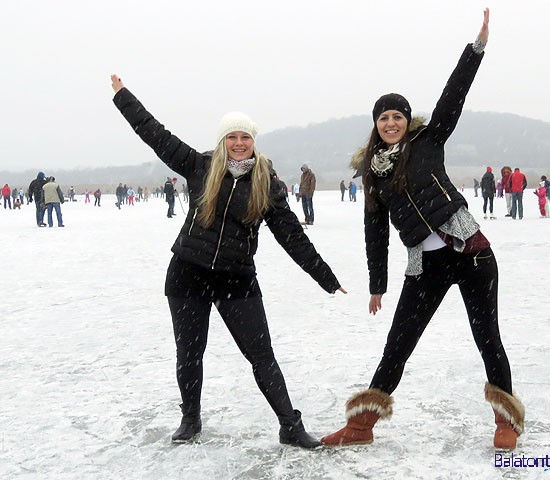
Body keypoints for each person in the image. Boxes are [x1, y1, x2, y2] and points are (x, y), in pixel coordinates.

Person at [321, 9, 523, 451]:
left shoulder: (429, 142)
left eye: (396, 116)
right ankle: (360, 428)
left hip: (470, 251)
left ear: (406, 121)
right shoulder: (372, 174)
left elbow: (454, 94)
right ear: (375, 126)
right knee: (399, 344)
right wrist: (377, 284)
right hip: (424, 263)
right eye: (383, 118)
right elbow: (375, 231)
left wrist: (477, 48)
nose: (390, 123)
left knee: (487, 336)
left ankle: (506, 421)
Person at [110, 74, 347, 447]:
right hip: (188, 272)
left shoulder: (266, 183)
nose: (239, 143)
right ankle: (191, 418)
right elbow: (155, 134)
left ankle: (290, 425)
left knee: (261, 355)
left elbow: (291, 235)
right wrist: (124, 97)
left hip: (237, 278)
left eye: (245, 137)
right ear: (223, 141)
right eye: (232, 137)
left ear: (254, 141)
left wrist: (325, 276)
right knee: (190, 352)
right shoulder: (200, 167)